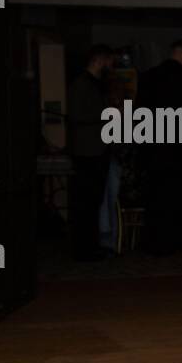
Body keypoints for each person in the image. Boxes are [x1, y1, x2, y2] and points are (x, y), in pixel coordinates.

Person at [139, 39, 182, 255]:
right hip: (177, 148)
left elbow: (139, 113)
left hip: (152, 147)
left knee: (154, 196)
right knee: (176, 197)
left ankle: (153, 242)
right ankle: (174, 242)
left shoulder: (148, 77)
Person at [66, 45, 116, 261]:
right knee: (86, 201)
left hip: (96, 149)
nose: (112, 66)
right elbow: (77, 115)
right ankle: (84, 248)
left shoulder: (95, 84)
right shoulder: (82, 84)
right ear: (99, 60)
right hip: (88, 152)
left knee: (93, 200)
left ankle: (91, 245)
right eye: (109, 61)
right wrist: (108, 113)